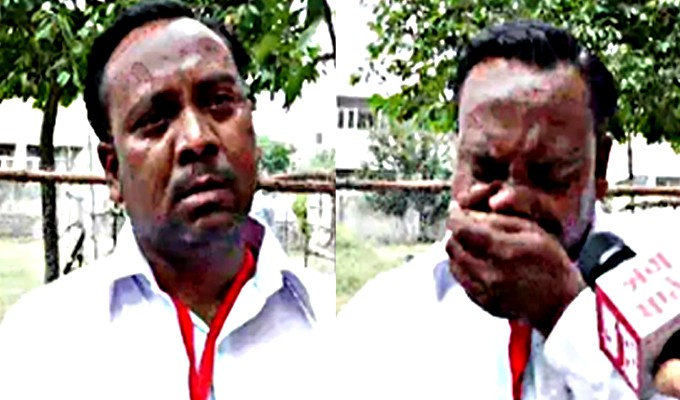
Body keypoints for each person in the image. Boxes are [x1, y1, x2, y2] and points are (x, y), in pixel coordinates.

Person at [0, 1, 332, 399]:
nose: (197, 138)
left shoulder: (340, 326)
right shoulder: (37, 346)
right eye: (155, 120)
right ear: (113, 171)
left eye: (219, 101)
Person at [336, 20, 676, 399]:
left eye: (549, 174)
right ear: (458, 158)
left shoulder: (668, 295)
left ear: (600, 168)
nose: (507, 201)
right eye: (485, 169)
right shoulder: (378, 322)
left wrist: (564, 312)